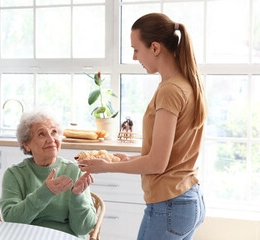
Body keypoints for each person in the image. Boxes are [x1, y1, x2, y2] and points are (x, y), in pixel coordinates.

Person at [79, 13, 207, 240]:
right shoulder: (187, 84)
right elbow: (172, 152)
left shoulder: (170, 90)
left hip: (169, 205)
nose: (134, 56)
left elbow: (158, 163)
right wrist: (130, 159)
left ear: (155, 48)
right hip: (188, 198)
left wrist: (105, 167)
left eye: (136, 49)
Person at [0, 109, 96, 240]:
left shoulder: (75, 171)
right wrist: (46, 192)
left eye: (54, 132)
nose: (51, 139)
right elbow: (11, 221)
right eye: (41, 134)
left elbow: (84, 228)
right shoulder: (15, 174)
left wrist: (77, 197)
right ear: (27, 144)